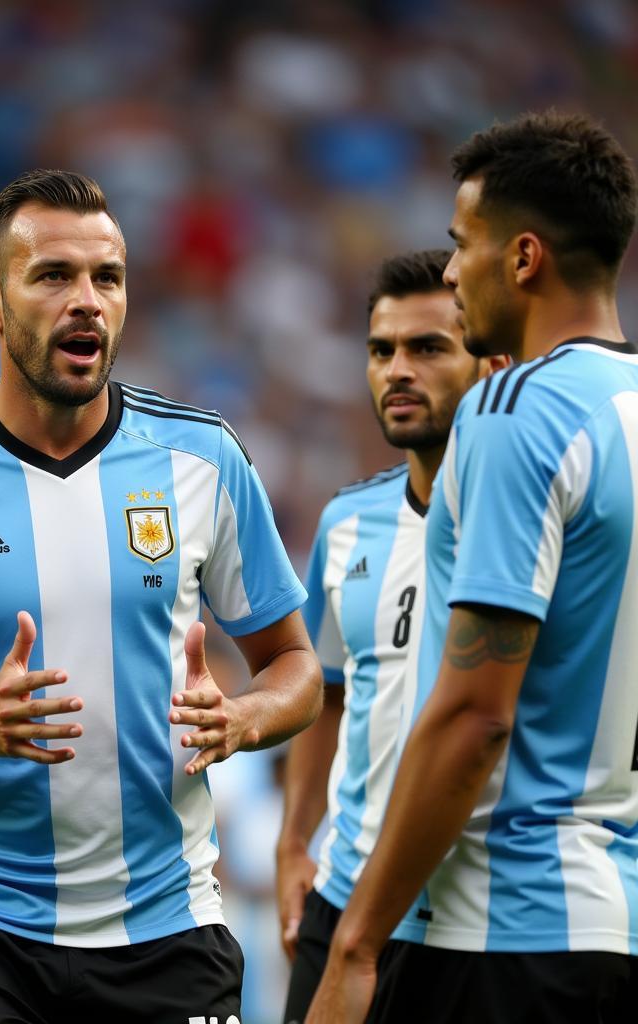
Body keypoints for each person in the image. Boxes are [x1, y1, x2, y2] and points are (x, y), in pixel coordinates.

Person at [0, 167, 323, 1024]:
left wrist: (242, 720)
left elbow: (297, 666)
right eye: (53, 276)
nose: (86, 300)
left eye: (107, 278)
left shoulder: (202, 462)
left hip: (169, 928)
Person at [307, 111, 638, 1024]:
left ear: (524, 258)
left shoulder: (510, 410)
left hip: (500, 928)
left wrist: (357, 940)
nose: (451, 272)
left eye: (462, 246)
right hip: (616, 920)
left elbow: (474, 718)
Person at [275, 250, 507, 1023]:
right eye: (382, 351)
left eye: (429, 348)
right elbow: (328, 692)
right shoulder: (346, 524)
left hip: (479, 918)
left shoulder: (530, 525)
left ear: (488, 362)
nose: (397, 370)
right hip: (342, 900)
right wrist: (293, 845)